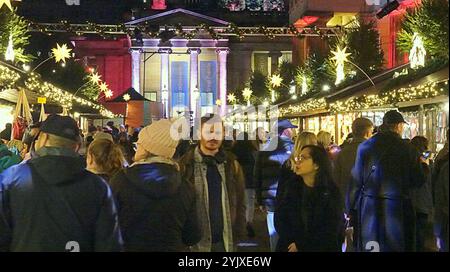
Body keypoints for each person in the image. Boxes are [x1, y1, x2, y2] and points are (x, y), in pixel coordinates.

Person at [0, 114, 122, 252]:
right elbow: (109, 244)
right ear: (77, 146)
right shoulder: (98, 187)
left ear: (44, 138)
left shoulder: (12, 178)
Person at [109, 120, 201, 252]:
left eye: (139, 145)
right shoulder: (185, 187)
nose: (136, 149)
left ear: (148, 149)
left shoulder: (121, 181)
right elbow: (192, 236)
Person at [348, 110, 426, 252]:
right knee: (397, 245)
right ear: (398, 126)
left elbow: (356, 180)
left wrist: (351, 208)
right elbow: (417, 180)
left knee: (371, 245)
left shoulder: (365, 147)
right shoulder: (408, 148)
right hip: (398, 207)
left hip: (369, 205)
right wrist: (424, 167)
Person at [179, 114, 246, 252]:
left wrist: (239, 232)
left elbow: (240, 202)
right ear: (199, 133)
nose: (213, 137)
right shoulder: (185, 165)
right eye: (209, 132)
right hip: (194, 244)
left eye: (217, 132)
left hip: (225, 241)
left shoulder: (232, 165)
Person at [275, 145, 344, 252]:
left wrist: (301, 245)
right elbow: (280, 218)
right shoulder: (291, 188)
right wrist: (290, 242)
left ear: (316, 164)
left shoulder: (330, 192)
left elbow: (330, 229)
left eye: (303, 158)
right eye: (298, 158)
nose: (298, 161)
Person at [254, 119, 297, 252]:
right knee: (291, 233)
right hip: (289, 198)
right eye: (291, 129)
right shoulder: (293, 148)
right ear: (286, 131)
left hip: (270, 198)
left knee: (274, 233)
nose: (293, 131)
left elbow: (257, 175)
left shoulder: (265, 149)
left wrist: (260, 200)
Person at [333, 118, 373, 202]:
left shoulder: (342, 152)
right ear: (368, 133)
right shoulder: (372, 151)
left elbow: (336, 179)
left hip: (346, 200)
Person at [231, 132, 259, 238]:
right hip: (250, 180)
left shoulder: (233, 152)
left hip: (236, 181)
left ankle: (238, 222)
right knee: (249, 203)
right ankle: (248, 222)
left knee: (238, 202)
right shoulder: (253, 151)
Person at [410, 136, 434, 252]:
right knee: (420, 233)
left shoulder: (409, 159)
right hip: (422, 201)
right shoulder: (423, 162)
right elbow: (427, 180)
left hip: (412, 201)